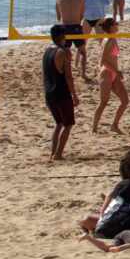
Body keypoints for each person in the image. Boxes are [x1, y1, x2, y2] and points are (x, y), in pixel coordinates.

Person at [43, 24, 79, 161]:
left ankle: (53, 153)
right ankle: (58, 154)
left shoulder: (47, 51)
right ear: (61, 37)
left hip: (49, 92)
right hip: (61, 92)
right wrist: (74, 95)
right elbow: (68, 76)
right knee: (68, 124)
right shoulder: (63, 53)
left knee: (59, 124)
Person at [90, 17, 129, 134]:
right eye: (116, 24)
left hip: (113, 73)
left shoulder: (112, 39)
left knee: (125, 101)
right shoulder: (109, 40)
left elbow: (108, 59)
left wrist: (116, 72)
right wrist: (116, 71)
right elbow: (103, 61)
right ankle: (94, 128)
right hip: (106, 74)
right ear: (111, 27)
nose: (118, 25)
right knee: (103, 102)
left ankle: (114, 125)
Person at [54, 0, 88, 80]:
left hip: (64, 28)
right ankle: (83, 74)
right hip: (76, 27)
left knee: (64, 52)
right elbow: (82, 15)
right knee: (83, 52)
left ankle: (63, 73)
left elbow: (58, 16)